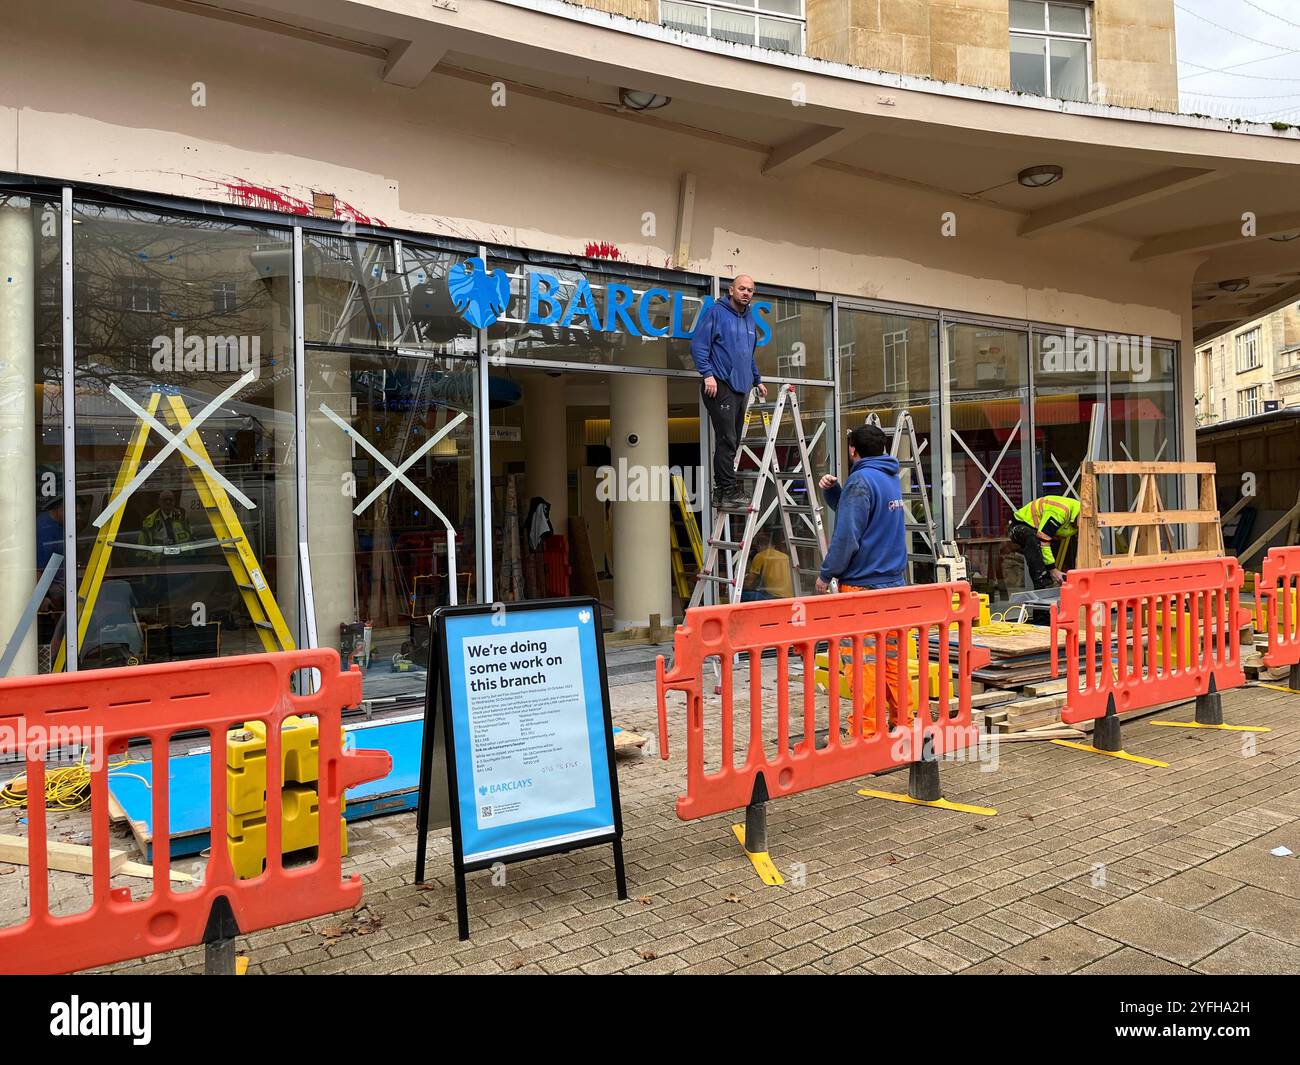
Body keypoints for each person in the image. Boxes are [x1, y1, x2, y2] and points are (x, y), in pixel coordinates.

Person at [816, 424, 909, 732]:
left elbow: (847, 536)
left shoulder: (861, 480)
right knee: (893, 658)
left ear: (853, 450)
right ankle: (905, 721)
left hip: (861, 588)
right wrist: (835, 493)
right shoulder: (888, 477)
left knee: (862, 661)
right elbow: (867, 520)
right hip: (893, 586)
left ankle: (866, 730)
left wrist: (826, 573)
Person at [690, 275, 766, 510]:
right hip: (720, 384)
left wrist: (757, 380)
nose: (746, 293)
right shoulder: (716, 312)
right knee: (727, 439)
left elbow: (747, 355)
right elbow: (698, 346)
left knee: (732, 439)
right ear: (731, 290)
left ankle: (722, 493)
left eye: (750, 290)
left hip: (741, 387)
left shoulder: (749, 319)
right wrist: (707, 374)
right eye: (742, 288)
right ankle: (728, 489)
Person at [1008, 495, 1080, 589]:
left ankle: (1053, 578)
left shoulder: (1080, 520)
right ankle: (1043, 584)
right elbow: (1044, 541)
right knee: (1033, 540)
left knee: (1046, 547)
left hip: (1043, 533)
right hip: (1020, 525)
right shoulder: (1060, 512)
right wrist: (1053, 569)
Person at [742, 529, 793, 601]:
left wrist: (738, 583)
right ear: (773, 546)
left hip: (774, 596)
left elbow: (749, 583)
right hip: (790, 596)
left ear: (759, 547)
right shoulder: (786, 557)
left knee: (740, 595)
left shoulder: (760, 556)